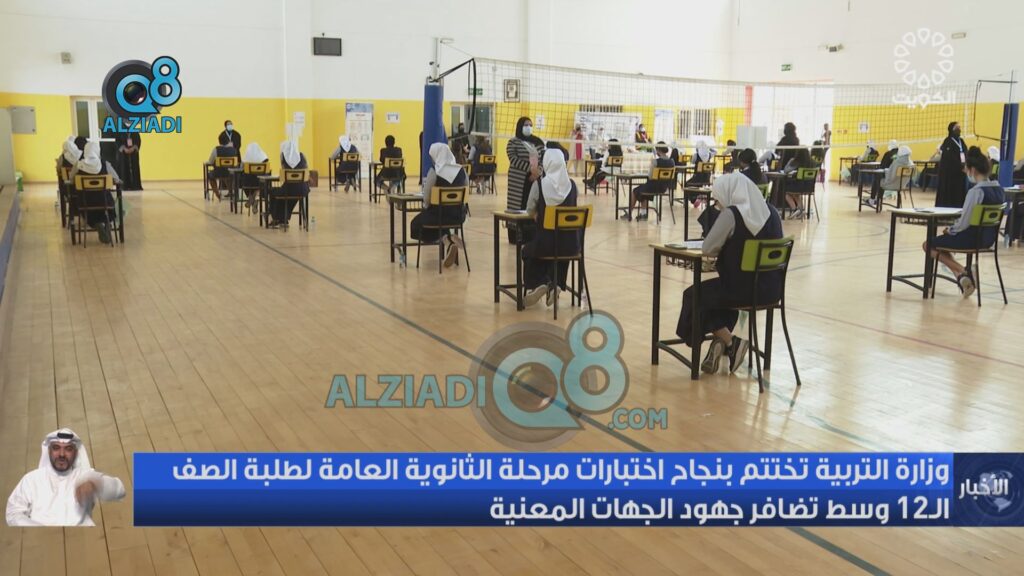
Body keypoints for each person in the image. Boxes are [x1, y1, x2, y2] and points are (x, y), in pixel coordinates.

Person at [676, 173, 784, 375]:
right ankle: (724, 342)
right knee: (712, 297)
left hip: (740, 290)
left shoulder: (732, 214)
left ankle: (730, 341)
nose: (718, 204)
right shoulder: (772, 212)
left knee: (694, 295)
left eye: (718, 199)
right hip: (771, 290)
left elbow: (708, 248)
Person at [923, 147, 1005, 298]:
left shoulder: (976, 192)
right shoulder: (1000, 190)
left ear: (972, 170)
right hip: (988, 240)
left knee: (928, 245)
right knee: (943, 245)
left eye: (966, 169)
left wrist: (950, 229)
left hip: (971, 239)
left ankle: (964, 271)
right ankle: (962, 279)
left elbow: (964, 223)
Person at [6, 428, 125, 526]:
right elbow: (13, 514)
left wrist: (95, 484)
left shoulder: (85, 476)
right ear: (49, 451)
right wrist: (42, 533)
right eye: (56, 448)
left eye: (68, 449)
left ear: (76, 452)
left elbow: (119, 490)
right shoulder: (31, 479)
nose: (62, 454)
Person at [521, 150, 581, 308]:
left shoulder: (540, 184)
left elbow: (529, 210)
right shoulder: (573, 186)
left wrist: (536, 214)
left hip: (545, 244)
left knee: (528, 250)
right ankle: (557, 284)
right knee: (561, 250)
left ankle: (539, 283)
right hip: (571, 245)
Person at [412, 143, 468, 267]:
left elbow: (427, 198)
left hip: (438, 216)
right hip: (458, 216)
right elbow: (466, 191)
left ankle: (447, 238)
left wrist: (426, 208)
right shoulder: (461, 170)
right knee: (441, 222)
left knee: (416, 225)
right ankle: (449, 239)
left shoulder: (435, 172)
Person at [69, 141, 120, 244]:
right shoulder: (105, 164)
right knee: (112, 203)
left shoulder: (78, 165)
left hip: (85, 202)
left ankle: (96, 224)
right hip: (104, 201)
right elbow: (117, 179)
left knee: (85, 207)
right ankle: (107, 223)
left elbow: (71, 179)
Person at [506, 116, 545, 243]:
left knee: (532, 205)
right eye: (526, 125)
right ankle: (515, 236)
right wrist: (530, 170)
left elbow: (543, 159)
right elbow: (513, 159)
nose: (529, 127)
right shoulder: (513, 142)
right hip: (518, 180)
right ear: (520, 126)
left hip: (534, 180)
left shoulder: (538, 142)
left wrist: (537, 172)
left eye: (530, 125)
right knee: (518, 206)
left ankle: (531, 236)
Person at [627, 142, 675, 221]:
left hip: (653, 187)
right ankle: (643, 214)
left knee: (635, 190)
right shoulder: (672, 162)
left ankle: (629, 213)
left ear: (658, 150)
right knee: (643, 188)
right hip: (663, 188)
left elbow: (650, 176)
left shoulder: (655, 161)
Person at [268, 139, 309, 227]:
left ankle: (277, 218)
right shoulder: (302, 156)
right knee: (288, 195)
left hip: (289, 189)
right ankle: (283, 219)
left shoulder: (284, 158)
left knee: (273, 192)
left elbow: (283, 175)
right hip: (303, 189)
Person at [936, 121, 967, 207]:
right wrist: (959, 166)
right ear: (951, 129)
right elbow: (949, 157)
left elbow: (965, 152)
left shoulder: (961, 141)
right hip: (949, 173)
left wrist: (965, 164)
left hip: (960, 172)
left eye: (959, 127)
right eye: (957, 127)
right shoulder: (947, 141)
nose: (959, 129)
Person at [781, 147, 816, 217]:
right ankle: (801, 211)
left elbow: (786, 170)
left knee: (787, 194)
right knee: (796, 195)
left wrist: (790, 161)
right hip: (809, 188)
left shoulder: (796, 162)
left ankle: (794, 209)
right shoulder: (812, 162)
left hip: (798, 186)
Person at [207, 132, 240, 200]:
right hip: (231, 173)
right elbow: (236, 162)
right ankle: (231, 192)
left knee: (210, 175)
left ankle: (217, 193)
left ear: (219, 141)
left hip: (219, 172)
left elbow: (210, 161)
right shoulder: (233, 150)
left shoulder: (216, 149)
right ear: (228, 141)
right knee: (226, 175)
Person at [240, 142, 269, 209]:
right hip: (260, 182)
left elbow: (241, 168)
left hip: (247, 183)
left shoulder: (245, 159)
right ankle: (253, 199)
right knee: (259, 183)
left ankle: (251, 198)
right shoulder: (264, 158)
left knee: (242, 179)